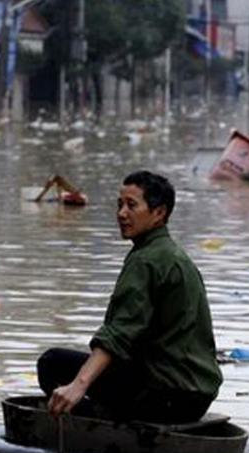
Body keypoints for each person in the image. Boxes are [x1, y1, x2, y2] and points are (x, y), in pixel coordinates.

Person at [38, 171, 222, 424]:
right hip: (196, 395)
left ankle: (101, 435)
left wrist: (78, 386)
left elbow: (119, 333)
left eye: (132, 205)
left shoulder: (146, 260)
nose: (122, 214)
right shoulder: (174, 256)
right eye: (120, 205)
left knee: (52, 364)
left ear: (159, 213)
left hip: (166, 396)